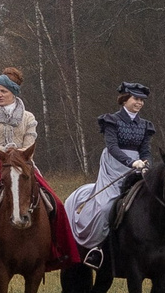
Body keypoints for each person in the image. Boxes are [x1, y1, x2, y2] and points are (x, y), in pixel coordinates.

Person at [0, 67, 79, 265]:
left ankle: (56, 250)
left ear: (14, 93)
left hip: (24, 165)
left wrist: (17, 155)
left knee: (56, 204)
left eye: (3, 91)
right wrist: (6, 152)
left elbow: (30, 145)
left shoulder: (28, 118)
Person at [65, 81, 156, 255]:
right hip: (114, 166)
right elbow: (112, 147)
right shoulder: (111, 120)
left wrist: (146, 163)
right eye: (136, 99)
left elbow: (145, 150)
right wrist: (130, 162)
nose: (139, 103)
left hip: (138, 166)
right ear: (124, 99)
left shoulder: (145, 125)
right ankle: (97, 248)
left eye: (142, 100)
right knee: (106, 207)